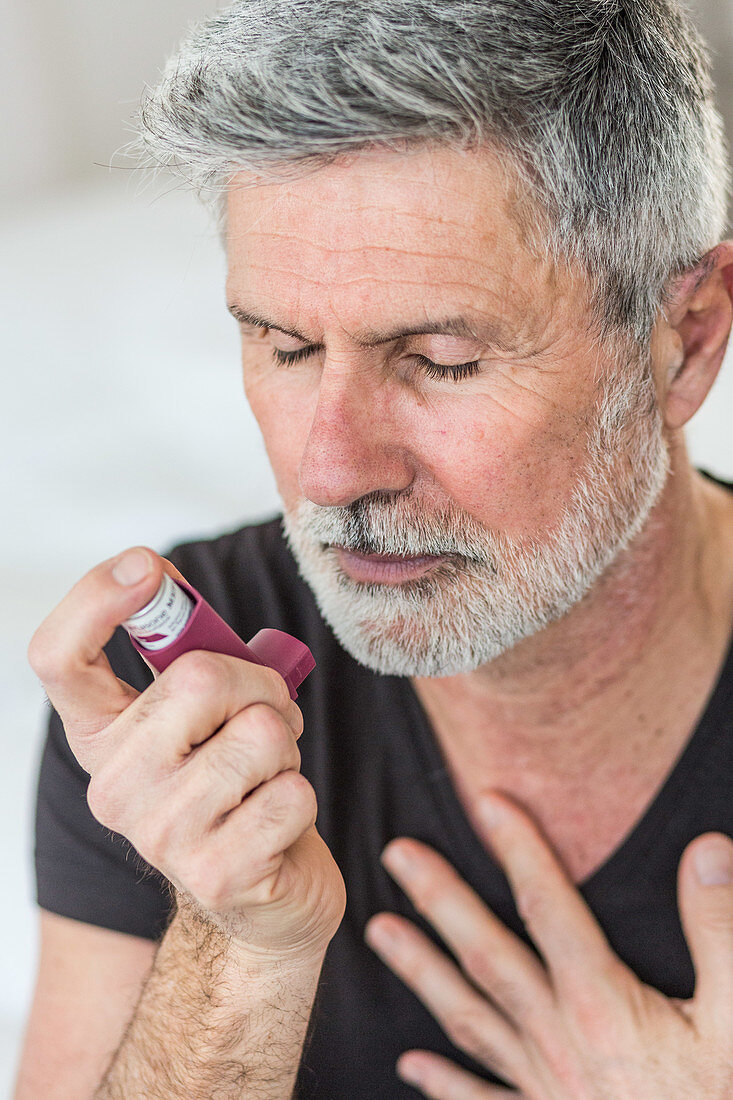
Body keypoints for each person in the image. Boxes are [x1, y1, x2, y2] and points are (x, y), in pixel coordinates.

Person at [14, 1, 733, 1097]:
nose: (332, 471)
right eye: (287, 347)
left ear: (682, 342)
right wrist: (237, 947)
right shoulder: (173, 686)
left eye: (441, 359)